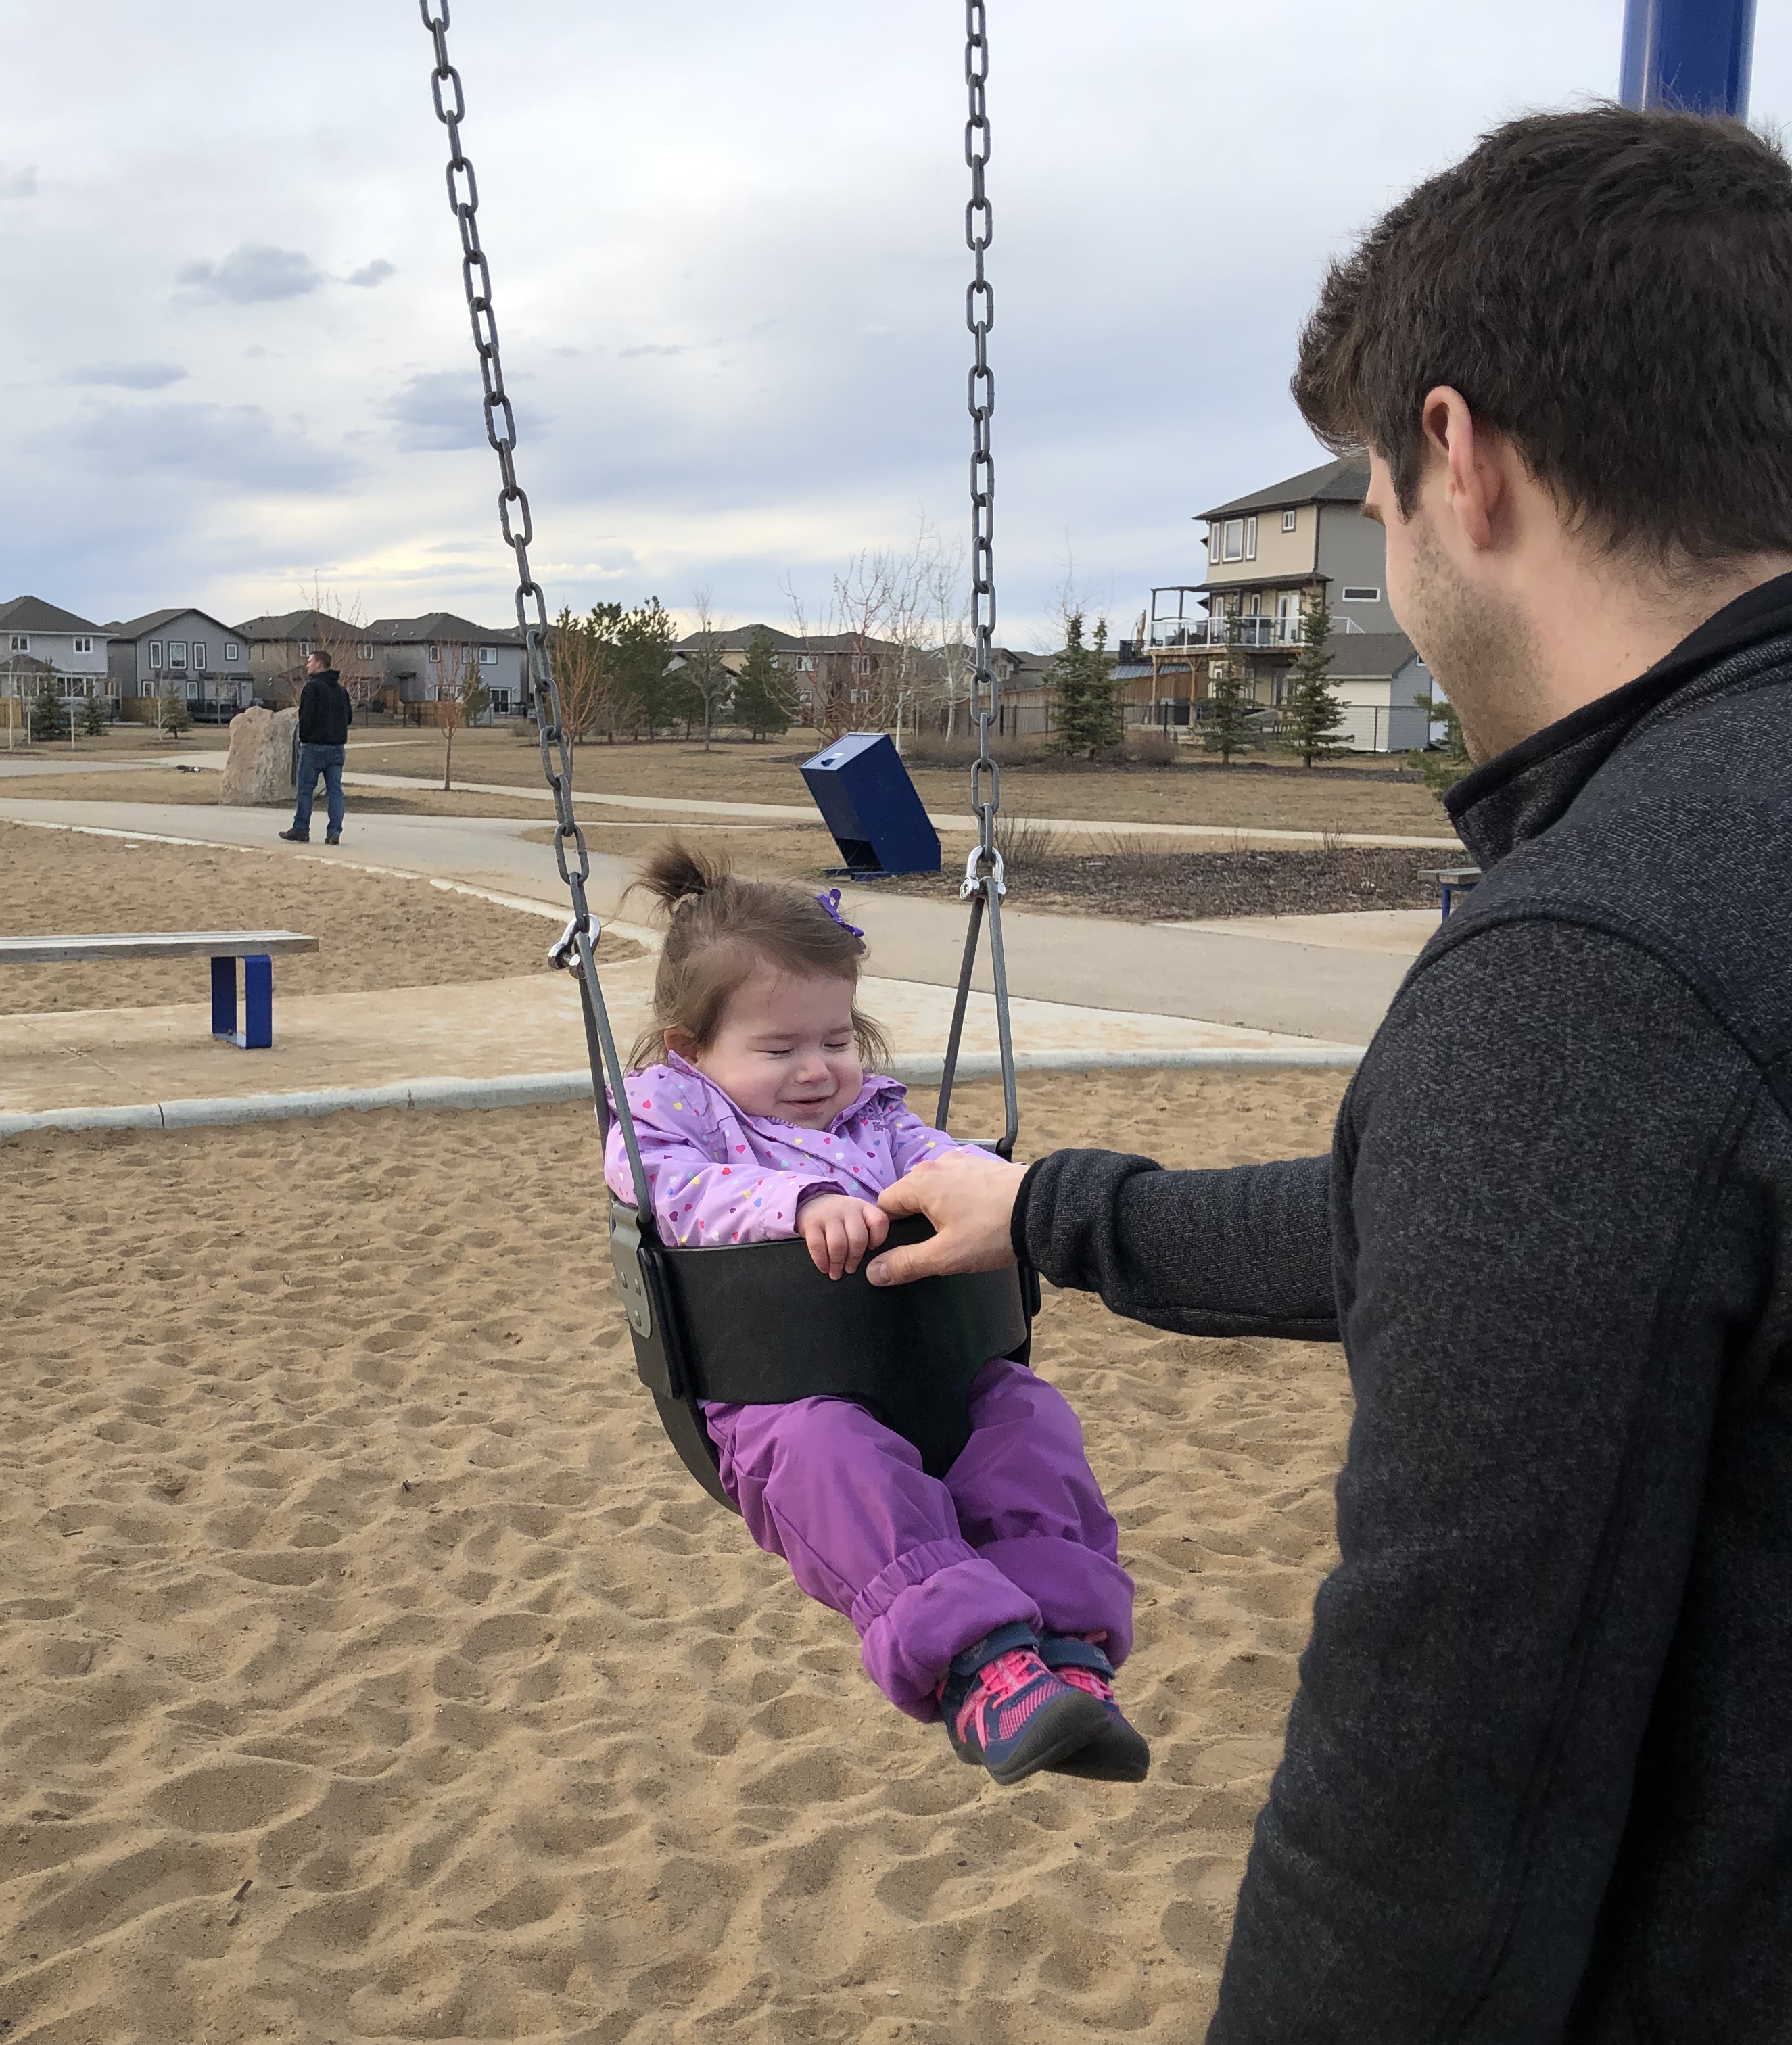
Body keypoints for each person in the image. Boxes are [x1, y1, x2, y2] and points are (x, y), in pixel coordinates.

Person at [864, 106, 1792, 2040]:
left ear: (1460, 459)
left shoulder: (1598, 963)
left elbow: (1437, 1816)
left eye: (1370, 492)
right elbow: (1518, 1227)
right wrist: (1052, 1213)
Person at [605, 844, 1149, 1787]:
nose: (817, 1071)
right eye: (780, 1050)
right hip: (777, 1394)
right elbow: (667, 1190)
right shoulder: (670, 1120)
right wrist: (802, 1202)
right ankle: (978, 1669)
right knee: (835, 1460)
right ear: (691, 1050)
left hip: (928, 1366)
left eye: (837, 1039)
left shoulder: (878, 1120)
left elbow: (942, 1164)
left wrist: (1002, 1186)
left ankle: (1067, 1650)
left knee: (1029, 1418)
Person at [281, 648, 350, 845]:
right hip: (336, 748)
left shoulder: (312, 688)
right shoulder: (341, 691)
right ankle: (334, 833)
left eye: (310, 662)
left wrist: (304, 737)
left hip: (314, 747)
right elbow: (348, 718)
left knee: (305, 789)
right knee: (335, 790)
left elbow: (306, 717)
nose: (307, 665)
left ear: (319, 665)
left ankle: (301, 829)